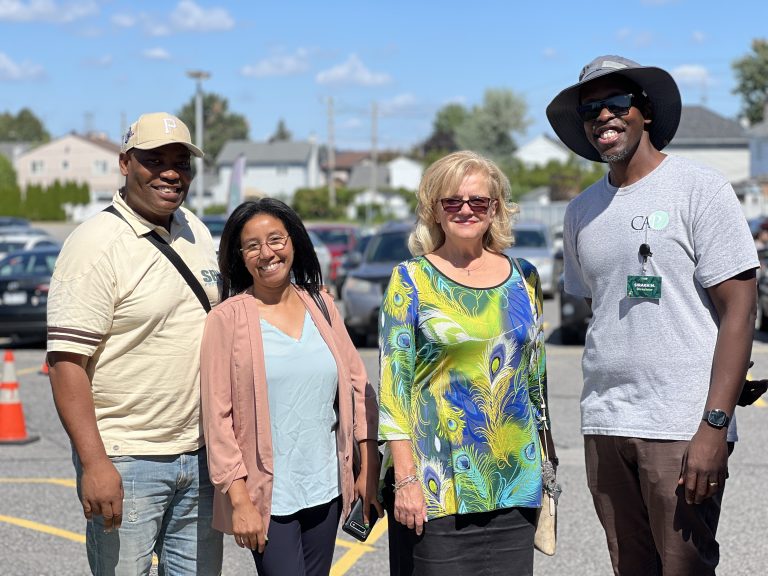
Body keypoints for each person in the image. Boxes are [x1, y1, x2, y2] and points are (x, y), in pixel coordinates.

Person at [546, 55, 759, 575]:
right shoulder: (580, 212)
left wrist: (714, 424)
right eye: (590, 110)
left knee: (684, 566)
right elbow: (601, 308)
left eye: (616, 103)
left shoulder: (699, 189)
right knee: (630, 567)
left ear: (645, 112)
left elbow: (740, 308)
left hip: (681, 424)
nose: (603, 116)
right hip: (606, 420)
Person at [47, 112, 223, 575]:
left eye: (181, 163)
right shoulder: (94, 243)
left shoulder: (196, 231)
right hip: (127, 459)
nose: (171, 173)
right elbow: (66, 363)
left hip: (201, 458)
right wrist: (95, 464)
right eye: (154, 160)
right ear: (125, 164)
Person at [378, 151, 555, 576]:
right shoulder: (411, 279)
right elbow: (393, 389)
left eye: (478, 201)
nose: (466, 210)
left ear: (495, 209)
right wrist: (406, 480)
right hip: (437, 484)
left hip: (514, 481)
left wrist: (547, 465)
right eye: (452, 201)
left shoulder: (525, 277)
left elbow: (536, 382)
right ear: (434, 209)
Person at [199, 198, 382, 576]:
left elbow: (357, 385)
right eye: (252, 246)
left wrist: (368, 466)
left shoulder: (322, 304)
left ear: (294, 242)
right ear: (240, 257)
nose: (267, 253)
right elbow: (217, 419)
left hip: (326, 489)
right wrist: (239, 500)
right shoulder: (226, 319)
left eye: (276, 239)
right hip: (268, 498)